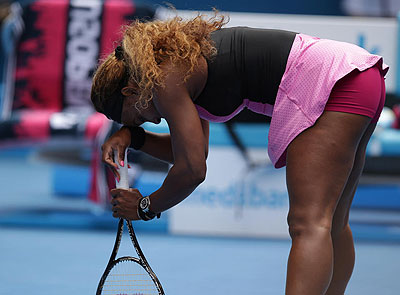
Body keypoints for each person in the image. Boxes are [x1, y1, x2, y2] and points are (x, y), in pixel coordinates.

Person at [90, 13, 388, 295]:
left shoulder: (165, 82)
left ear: (131, 92)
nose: (153, 121)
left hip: (332, 83)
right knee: (331, 221)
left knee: (308, 222)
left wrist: (145, 206)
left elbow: (192, 170)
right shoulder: (179, 65)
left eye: (139, 118)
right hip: (360, 76)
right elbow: (194, 152)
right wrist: (135, 136)